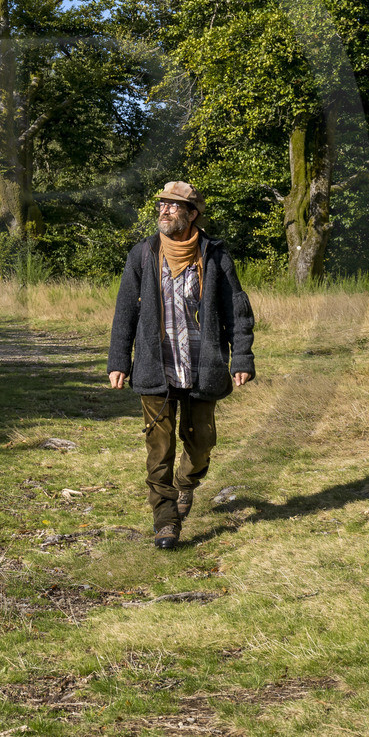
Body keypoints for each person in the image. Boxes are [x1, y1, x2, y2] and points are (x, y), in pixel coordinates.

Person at [107, 181, 255, 549]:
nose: (164, 210)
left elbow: (237, 311)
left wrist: (242, 356)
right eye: (162, 204)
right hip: (155, 367)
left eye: (173, 206)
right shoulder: (143, 255)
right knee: (159, 450)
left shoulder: (215, 256)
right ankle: (166, 520)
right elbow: (125, 312)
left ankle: (186, 483)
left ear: (192, 214)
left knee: (201, 443)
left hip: (203, 367)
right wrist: (118, 361)